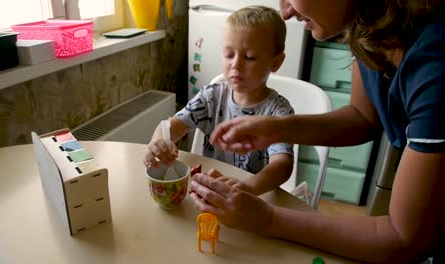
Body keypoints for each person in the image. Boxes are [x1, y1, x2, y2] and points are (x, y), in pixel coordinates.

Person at [189, 0, 445, 263]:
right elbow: (363, 117)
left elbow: (404, 238)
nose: (285, 12)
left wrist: (267, 218)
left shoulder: (435, 66)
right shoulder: (367, 29)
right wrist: (279, 129)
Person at [143, 5, 295, 196]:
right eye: (229, 54)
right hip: (208, 192)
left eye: (250, 57)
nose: (236, 65)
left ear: (275, 62)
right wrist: (158, 143)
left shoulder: (279, 112)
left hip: (253, 199)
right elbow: (171, 127)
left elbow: (283, 165)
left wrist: (248, 188)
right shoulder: (211, 97)